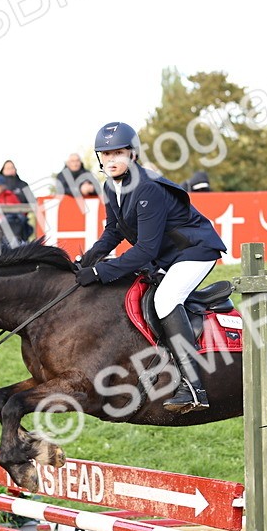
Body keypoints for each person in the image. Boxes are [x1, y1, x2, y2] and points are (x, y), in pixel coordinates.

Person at [75, 121, 227, 413]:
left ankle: (194, 387)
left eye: (118, 153)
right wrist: (87, 260)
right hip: (169, 256)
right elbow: (113, 232)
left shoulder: (148, 188)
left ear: (133, 154)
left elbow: (145, 250)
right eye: (105, 155)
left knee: (166, 299)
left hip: (196, 251)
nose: (111, 160)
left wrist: (99, 272)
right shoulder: (111, 186)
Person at [0, 160, 34, 241]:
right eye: (7, 168)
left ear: (15, 170)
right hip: (1, 218)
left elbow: (32, 202)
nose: (10, 170)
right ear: (3, 170)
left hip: (20, 218)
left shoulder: (23, 185)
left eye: (12, 168)